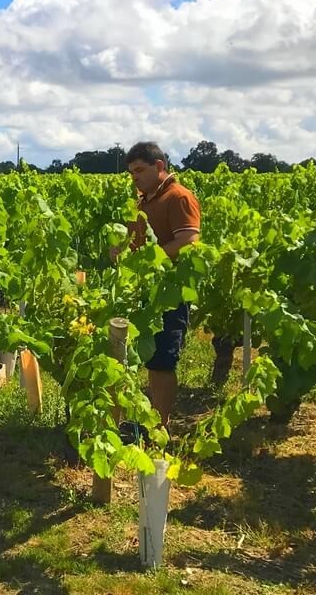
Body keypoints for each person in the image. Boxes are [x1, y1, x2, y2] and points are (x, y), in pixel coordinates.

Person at [113, 141, 201, 428]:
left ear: (159, 166)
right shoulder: (144, 201)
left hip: (169, 292)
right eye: (131, 172)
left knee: (163, 360)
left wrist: (149, 260)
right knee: (150, 358)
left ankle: (160, 428)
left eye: (139, 170)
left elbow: (188, 241)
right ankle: (150, 423)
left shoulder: (178, 197)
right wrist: (121, 249)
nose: (134, 177)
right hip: (145, 290)